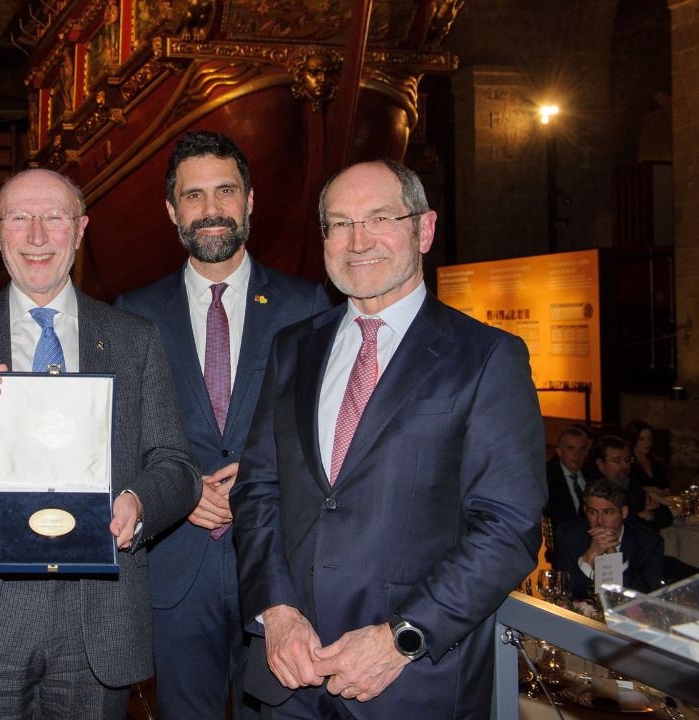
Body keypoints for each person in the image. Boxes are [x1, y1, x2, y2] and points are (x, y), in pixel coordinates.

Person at [231, 160, 546, 719]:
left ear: (423, 230)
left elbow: (506, 529)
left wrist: (401, 637)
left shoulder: (487, 358)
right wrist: (276, 610)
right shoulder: (293, 348)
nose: (358, 242)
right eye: (339, 223)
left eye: (380, 218)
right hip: (291, 675)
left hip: (411, 680)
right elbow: (258, 491)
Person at [0, 168, 201, 719]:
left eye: (53, 218)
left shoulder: (133, 339)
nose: (36, 236)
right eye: (19, 219)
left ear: (79, 230)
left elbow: (176, 465)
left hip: (94, 617)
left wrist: (141, 503)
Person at [115, 131, 329, 719]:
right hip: (176, 569)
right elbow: (117, 438)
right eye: (194, 196)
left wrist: (257, 483)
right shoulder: (133, 313)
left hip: (281, 569)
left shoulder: (306, 305)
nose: (211, 209)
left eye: (225, 191)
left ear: (250, 200)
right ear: (171, 210)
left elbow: (328, 436)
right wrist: (180, 493)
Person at [551, 480, 664, 599]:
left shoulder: (649, 542)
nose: (599, 521)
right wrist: (589, 556)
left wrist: (615, 558)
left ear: (624, 512)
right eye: (592, 512)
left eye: (608, 512)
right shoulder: (567, 535)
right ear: (585, 511)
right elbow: (562, 594)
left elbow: (647, 597)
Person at [593, 435, 673, 532]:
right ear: (601, 464)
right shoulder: (597, 492)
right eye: (617, 461)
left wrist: (651, 514)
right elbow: (621, 527)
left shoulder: (631, 484)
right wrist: (643, 517)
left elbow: (667, 516)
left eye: (627, 460)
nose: (624, 465)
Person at [544, 425, 593, 529]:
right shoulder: (547, 478)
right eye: (571, 448)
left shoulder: (593, 475)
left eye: (582, 449)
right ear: (559, 451)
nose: (577, 455)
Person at [625, 419, 670, 493]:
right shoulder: (628, 463)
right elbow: (626, 488)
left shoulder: (656, 462)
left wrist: (666, 490)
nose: (647, 443)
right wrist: (647, 489)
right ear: (633, 440)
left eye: (649, 439)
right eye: (641, 439)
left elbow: (665, 484)